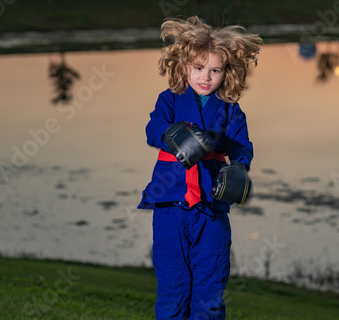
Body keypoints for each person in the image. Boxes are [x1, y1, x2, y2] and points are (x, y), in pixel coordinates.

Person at [138, 16, 262, 320]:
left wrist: (240, 168)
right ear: (183, 66)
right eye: (198, 68)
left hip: (212, 210)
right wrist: (174, 136)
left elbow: (241, 146)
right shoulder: (169, 100)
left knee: (210, 291)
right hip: (171, 208)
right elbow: (153, 130)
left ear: (226, 72)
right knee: (173, 290)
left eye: (214, 70)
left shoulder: (231, 110)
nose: (205, 77)